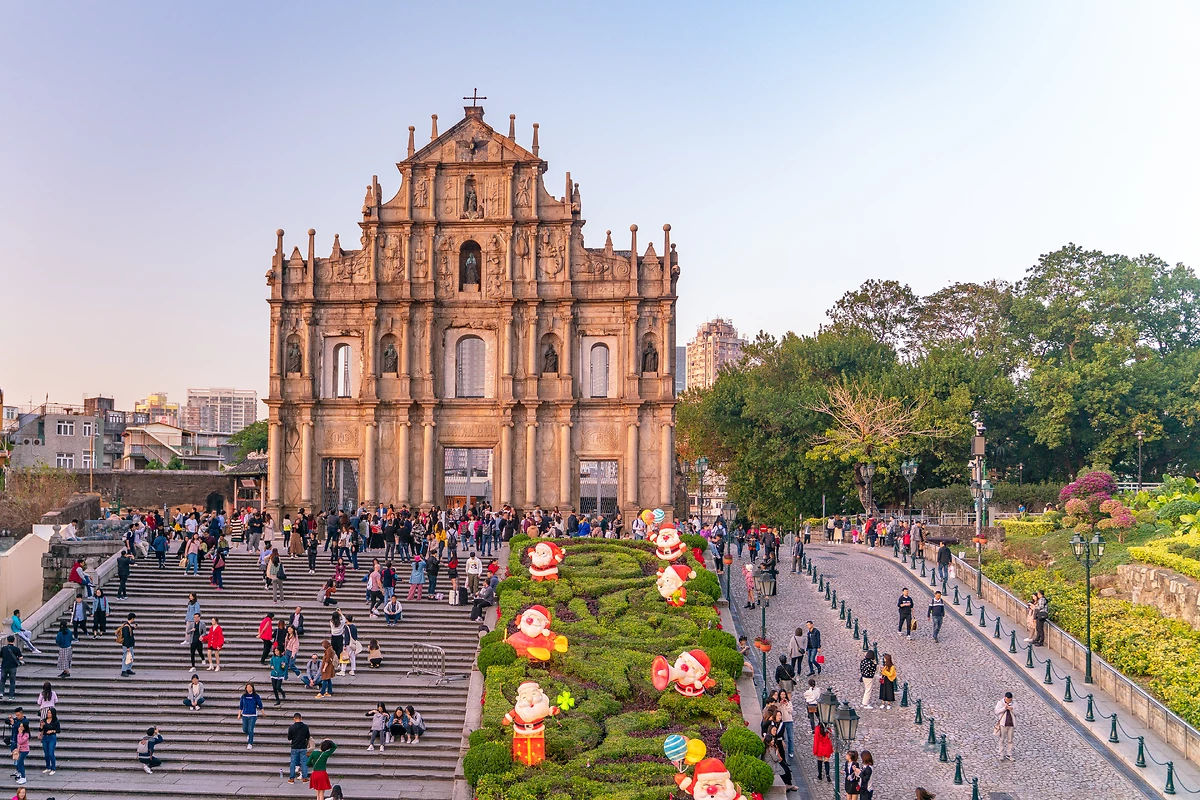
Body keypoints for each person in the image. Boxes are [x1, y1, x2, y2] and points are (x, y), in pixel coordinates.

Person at [238, 682, 265, 749]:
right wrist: (239, 714)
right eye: (247, 687)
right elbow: (241, 706)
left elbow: (260, 704)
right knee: (244, 729)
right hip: (245, 714)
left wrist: (263, 712)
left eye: (249, 687)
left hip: (253, 715)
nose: (248, 689)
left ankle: (250, 743)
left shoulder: (256, 696)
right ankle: (249, 735)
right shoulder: (243, 696)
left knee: (250, 729)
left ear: (252, 688)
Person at [287, 712, 311, 785]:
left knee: (293, 763)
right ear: (301, 718)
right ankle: (305, 778)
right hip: (303, 746)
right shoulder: (305, 727)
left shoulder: (291, 727)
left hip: (294, 747)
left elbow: (289, 738)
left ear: (294, 719)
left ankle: (291, 778)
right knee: (304, 762)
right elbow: (308, 736)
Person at [994, 691, 1016, 761]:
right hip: (1003, 724)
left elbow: (1018, 713)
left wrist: (1012, 709)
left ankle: (1009, 754)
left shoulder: (1014, 704)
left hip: (1011, 724)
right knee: (1002, 739)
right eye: (1007, 700)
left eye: (1010, 700)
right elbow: (996, 711)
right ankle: (1001, 754)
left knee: (1010, 740)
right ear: (1005, 698)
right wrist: (1004, 708)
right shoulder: (1000, 703)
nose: (1009, 701)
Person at [10, 717, 29, 785]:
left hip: (25, 750)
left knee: (20, 763)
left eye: (21, 727)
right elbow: (18, 741)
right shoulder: (20, 733)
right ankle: (21, 775)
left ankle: (23, 777)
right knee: (20, 763)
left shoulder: (26, 734)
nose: (20, 728)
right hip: (20, 750)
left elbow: (20, 741)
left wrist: (20, 733)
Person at [118, 612, 137, 677]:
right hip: (127, 645)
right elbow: (126, 637)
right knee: (126, 657)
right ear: (132, 618)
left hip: (129, 644)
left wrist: (133, 628)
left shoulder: (127, 625)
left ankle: (128, 669)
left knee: (130, 657)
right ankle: (124, 670)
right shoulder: (126, 627)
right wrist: (127, 646)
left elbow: (130, 630)